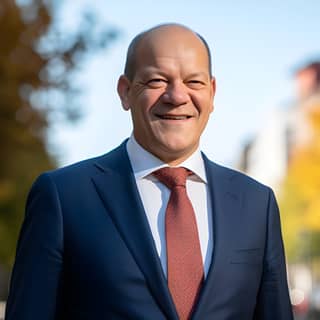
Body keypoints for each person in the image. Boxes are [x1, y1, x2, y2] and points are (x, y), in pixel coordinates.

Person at [5, 23, 293, 320]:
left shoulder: (258, 204)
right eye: (157, 80)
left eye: (194, 82)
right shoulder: (64, 197)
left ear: (212, 92)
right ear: (125, 92)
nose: (177, 96)